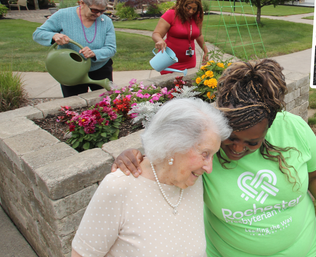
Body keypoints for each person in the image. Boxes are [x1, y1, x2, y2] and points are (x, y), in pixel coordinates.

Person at [113, 59, 316, 257]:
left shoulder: (294, 129)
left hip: (304, 250)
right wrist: (137, 158)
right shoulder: (204, 143)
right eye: (231, 138)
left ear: (269, 127)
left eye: (252, 143)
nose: (237, 149)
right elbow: (166, 172)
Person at [71, 98, 231, 257]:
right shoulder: (119, 187)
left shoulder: (193, 180)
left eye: (212, 156)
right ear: (173, 144)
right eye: (205, 154)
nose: (209, 168)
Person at [33, 0, 116, 97]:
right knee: (74, 105)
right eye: (95, 10)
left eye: (103, 11)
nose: (99, 15)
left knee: (106, 103)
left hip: (100, 69)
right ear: (82, 3)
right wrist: (54, 36)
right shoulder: (62, 15)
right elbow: (38, 34)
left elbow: (111, 48)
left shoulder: (106, 22)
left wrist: (94, 53)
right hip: (70, 69)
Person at [152, 0, 209, 74]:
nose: (191, 11)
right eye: (188, 8)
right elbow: (156, 33)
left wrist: (206, 51)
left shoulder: (197, 17)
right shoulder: (171, 14)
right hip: (169, 61)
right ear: (181, 5)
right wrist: (160, 40)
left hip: (189, 62)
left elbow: (199, 35)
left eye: (194, 9)